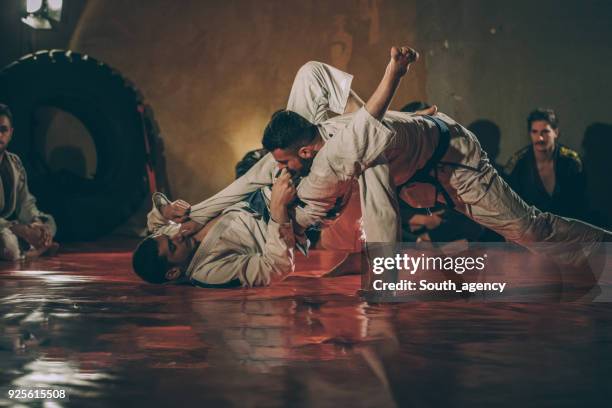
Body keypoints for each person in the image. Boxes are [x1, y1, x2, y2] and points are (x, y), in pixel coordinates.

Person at [132, 169, 298, 287]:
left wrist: (166, 210)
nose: (178, 236)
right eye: (172, 247)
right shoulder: (209, 273)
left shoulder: (166, 237)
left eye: (169, 237)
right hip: (282, 212)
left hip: (253, 192)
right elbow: (276, 267)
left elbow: (154, 222)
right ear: (173, 272)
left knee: (275, 148)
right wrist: (278, 208)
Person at [0, 104, 58, 260]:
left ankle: (35, 243)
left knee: (49, 223)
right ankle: (34, 251)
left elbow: (25, 201)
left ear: (11, 133)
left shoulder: (14, 162)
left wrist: (36, 222)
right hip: (4, 228)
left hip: (10, 226)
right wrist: (21, 230)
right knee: (8, 245)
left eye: (3, 130)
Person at [506, 108, 587, 220]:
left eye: (545, 132)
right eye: (535, 132)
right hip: (530, 229)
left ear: (556, 133)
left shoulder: (572, 162)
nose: (540, 138)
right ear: (529, 134)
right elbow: (510, 205)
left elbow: (580, 205)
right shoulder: (518, 163)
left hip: (567, 229)